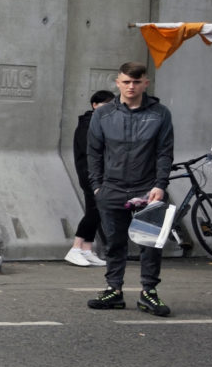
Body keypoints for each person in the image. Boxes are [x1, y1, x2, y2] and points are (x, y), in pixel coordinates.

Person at [86, 61, 176, 316]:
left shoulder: (160, 114)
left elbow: (164, 153)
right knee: (114, 243)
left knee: (150, 244)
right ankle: (113, 290)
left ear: (145, 83)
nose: (131, 87)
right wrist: (96, 187)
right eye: (126, 82)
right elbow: (93, 152)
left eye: (137, 82)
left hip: (148, 188)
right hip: (111, 188)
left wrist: (160, 185)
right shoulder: (103, 115)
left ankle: (149, 293)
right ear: (117, 83)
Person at [66, 89, 117, 267]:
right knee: (95, 209)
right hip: (90, 173)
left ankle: (86, 249)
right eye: (104, 105)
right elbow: (93, 151)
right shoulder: (88, 124)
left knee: (95, 210)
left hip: (100, 174)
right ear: (94, 105)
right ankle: (75, 248)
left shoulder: (101, 123)